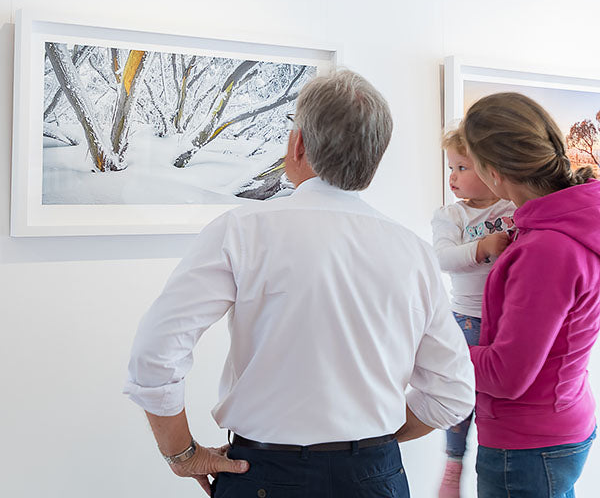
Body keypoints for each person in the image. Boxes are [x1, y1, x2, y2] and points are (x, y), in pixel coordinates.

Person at [124, 69, 475, 498]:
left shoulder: (241, 231)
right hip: (374, 477)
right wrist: (364, 443)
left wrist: (182, 454)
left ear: (299, 144)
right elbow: (452, 394)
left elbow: (154, 355)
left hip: (264, 475)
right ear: (373, 159)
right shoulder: (414, 252)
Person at [460, 92, 600, 498]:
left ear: (493, 172)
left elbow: (506, 375)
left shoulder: (548, 250)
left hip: (528, 443)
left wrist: (427, 342)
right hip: (555, 427)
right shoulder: (568, 223)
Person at [432, 129, 515, 498]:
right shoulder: (451, 214)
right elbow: (442, 257)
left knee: (497, 395)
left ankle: (493, 452)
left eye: (462, 167)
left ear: (490, 169)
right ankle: (454, 461)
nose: (452, 177)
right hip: (466, 317)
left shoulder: (512, 209)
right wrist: (481, 248)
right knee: (462, 392)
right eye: (451, 167)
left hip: (508, 319)